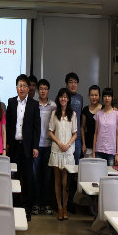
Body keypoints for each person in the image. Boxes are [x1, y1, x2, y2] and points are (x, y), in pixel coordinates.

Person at [6, 74, 41, 221]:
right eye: (19, 85)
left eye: (24, 86)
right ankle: (12, 207)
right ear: (16, 87)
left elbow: (36, 127)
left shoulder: (33, 104)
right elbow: (8, 125)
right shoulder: (11, 102)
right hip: (14, 146)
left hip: (27, 147)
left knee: (27, 179)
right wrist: (7, 143)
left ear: (29, 88)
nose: (22, 88)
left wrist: (35, 146)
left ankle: (26, 209)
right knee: (13, 178)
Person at [48, 88, 77, 221]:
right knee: (57, 181)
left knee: (66, 183)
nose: (63, 99)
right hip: (57, 149)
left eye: (66, 97)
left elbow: (75, 133)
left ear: (68, 99)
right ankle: (59, 207)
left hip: (68, 151)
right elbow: (50, 132)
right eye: (61, 97)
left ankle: (65, 206)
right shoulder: (54, 113)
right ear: (58, 98)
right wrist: (59, 143)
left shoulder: (73, 114)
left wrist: (68, 144)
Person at [32, 79, 56, 215]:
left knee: (47, 177)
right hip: (36, 146)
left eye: (45, 88)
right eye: (40, 88)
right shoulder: (34, 105)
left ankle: (46, 203)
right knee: (35, 176)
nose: (42, 91)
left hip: (49, 145)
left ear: (48, 90)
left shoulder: (53, 106)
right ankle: (36, 203)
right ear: (37, 90)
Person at [93, 88, 118, 166]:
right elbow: (95, 133)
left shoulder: (117, 114)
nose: (107, 98)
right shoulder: (98, 114)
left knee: (111, 176)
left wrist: (117, 153)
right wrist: (93, 152)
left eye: (109, 96)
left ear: (112, 98)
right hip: (99, 150)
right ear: (102, 98)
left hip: (111, 152)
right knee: (98, 175)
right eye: (105, 96)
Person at [65, 72, 83, 164]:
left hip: (77, 137)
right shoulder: (62, 97)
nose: (73, 85)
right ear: (66, 84)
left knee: (76, 164)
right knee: (65, 165)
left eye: (75, 82)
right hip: (65, 137)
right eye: (70, 82)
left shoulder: (80, 98)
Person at [81, 85, 102, 158]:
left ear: (99, 96)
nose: (94, 97)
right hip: (88, 144)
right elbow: (83, 128)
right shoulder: (85, 109)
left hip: (101, 145)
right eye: (92, 95)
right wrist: (83, 144)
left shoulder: (104, 109)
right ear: (89, 96)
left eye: (96, 95)